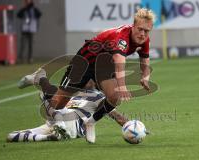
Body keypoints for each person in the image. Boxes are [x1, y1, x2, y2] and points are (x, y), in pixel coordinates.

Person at [19, 8, 156, 143]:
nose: (143, 34)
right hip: (84, 62)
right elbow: (119, 60)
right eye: (140, 29)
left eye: (146, 31)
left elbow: (145, 60)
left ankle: (90, 122)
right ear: (133, 26)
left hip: (104, 66)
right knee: (57, 106)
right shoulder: (122, 37)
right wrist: (122, 86)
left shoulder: (144, 40)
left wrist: (145, 78)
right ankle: (40, 78)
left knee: (114, 97)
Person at [8, 70, 129, 142]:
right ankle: (41, 79)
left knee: (12, 136)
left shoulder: (98, 97)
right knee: (10, 136)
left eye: (89, 79)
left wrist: (133, 127)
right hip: (55, 121)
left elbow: (118, 117)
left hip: (72, 126)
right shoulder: (70, 93)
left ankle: (41, 79)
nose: (86, 81)